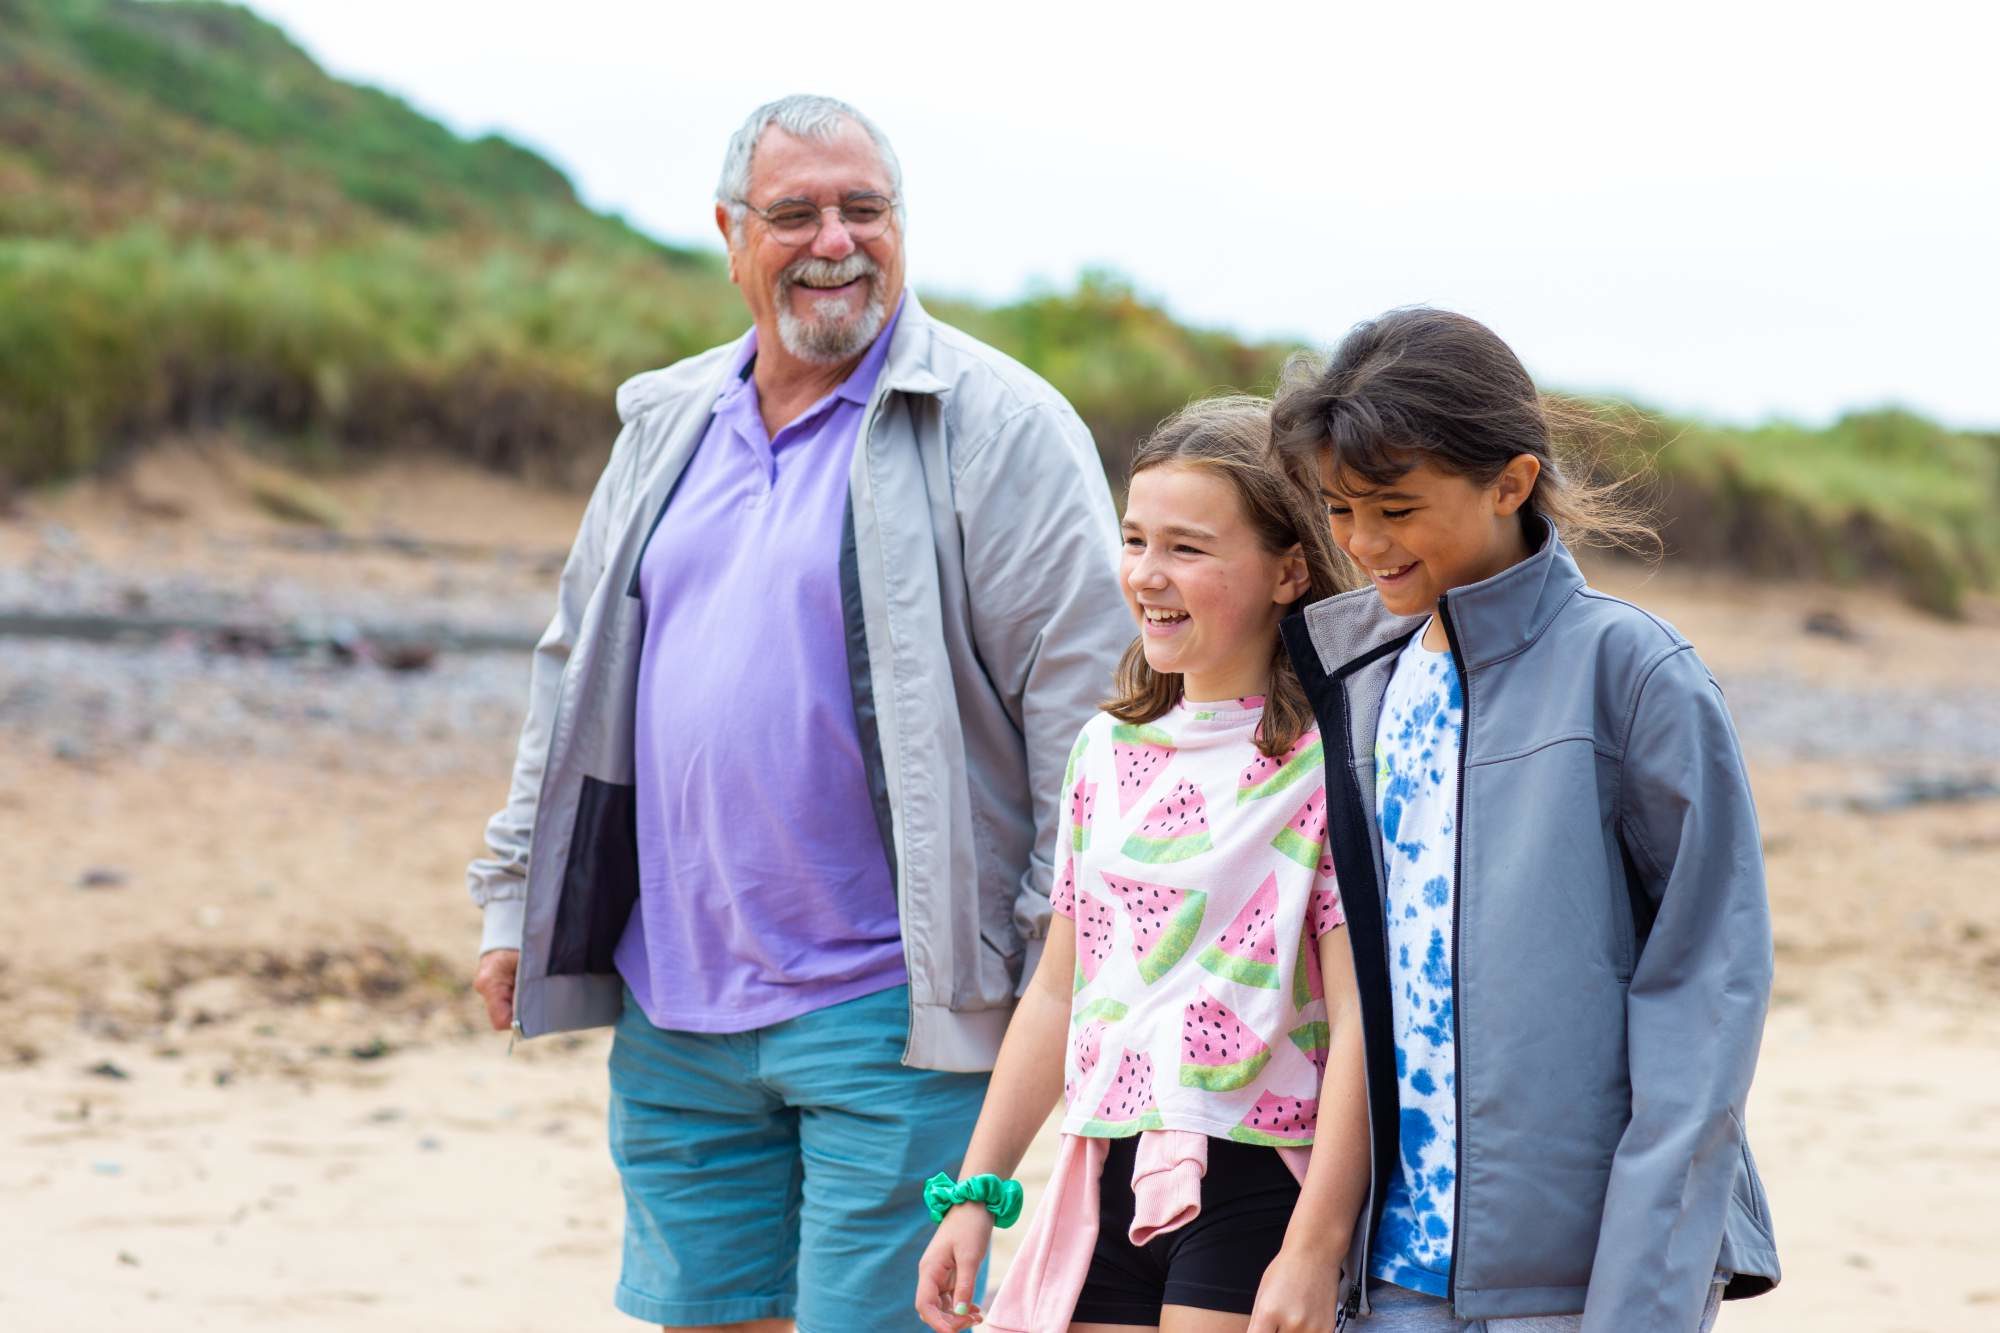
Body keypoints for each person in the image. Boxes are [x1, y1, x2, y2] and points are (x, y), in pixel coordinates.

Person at [464, 94, 1131, 1332]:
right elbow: (574, 669)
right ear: (730, 234)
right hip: (675, 999)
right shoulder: (665, 420)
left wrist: (1060, 956)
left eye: (864, 209)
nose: (836, 239)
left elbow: (1087, 708)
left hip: (897, 1003)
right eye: (795, 214)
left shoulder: (1002, 426)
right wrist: (516, 895)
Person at [1266, 308, 1781, 1331]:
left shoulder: (1632, 674)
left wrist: (1637, 1302)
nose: (1363, 543)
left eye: (1395, 508)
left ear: (1509, 481)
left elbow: (1703, 1007)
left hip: (1575, 1283)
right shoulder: (1357, 681)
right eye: (1337, 509)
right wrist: (1315, 1244)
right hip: (1390, 1278)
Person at [916, 397, 1372, 1333]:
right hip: (1104, 1167)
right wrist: (976, 1189)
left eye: (1188, 548)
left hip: (1258, 1171)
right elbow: (1058, 989)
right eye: (1135, 539)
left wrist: (1315, 1243)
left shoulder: (1334, 758)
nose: (1147, 576)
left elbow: (1363, 1014)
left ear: (1290, 569)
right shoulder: (1102, 749)